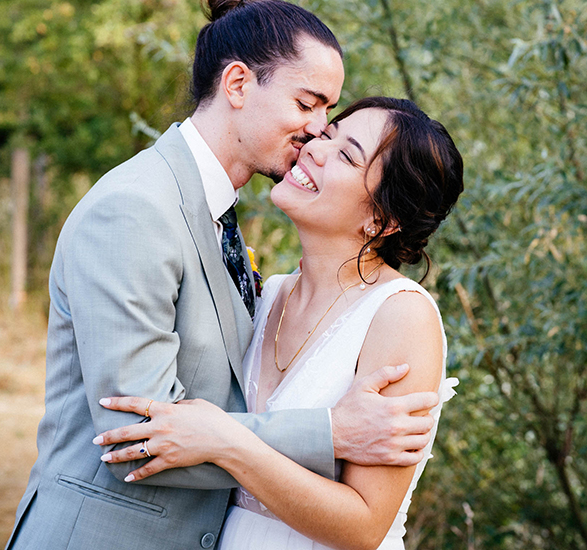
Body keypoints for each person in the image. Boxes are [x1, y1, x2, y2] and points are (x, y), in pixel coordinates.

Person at [5, 0, 441, 550]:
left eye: (328, 115)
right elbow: (137, 438)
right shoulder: (136, 209)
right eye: (307, 105)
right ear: (237, 84)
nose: (317, 131)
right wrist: (331, 432)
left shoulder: (222, 225)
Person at [93, 96, 465, 550]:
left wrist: (225, 441)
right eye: (327, 135)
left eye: (347, 156)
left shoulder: (401, 315)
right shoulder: (269, 295)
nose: (315, 148)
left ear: (382, 219)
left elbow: (364, 526)